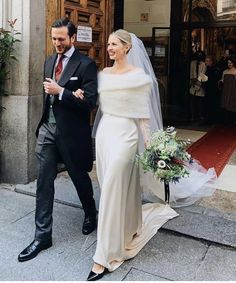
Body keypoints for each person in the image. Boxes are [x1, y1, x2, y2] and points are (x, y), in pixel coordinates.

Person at [75, 29, 178, 281]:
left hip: (126, 137)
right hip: (105, 135)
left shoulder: (138, 75)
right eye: (108, 44)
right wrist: (80, 95)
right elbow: (98, 103)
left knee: (111, 189)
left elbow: (142, 115)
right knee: (116, 187)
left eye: (114, 44)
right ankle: (130, 226)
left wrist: (152, 145)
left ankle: (103, 256)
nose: (109, 48)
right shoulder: (105, 74)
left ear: (127, 48)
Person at [18, 18, 98, 262]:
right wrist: (65, 95)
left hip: (71, 135)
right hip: (47, 130)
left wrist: (62, 92)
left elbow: (90, 102)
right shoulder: (49, 61)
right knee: (44, 182)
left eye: (61, 39)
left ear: (72, 38)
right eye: (54, 39)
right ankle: (42, 236)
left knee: (78, 178)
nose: (57, 43)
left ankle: (90, 213)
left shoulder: (86, 65)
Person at [189, 51, 208, 124]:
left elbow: (203, 74)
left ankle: (200, 115)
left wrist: (198, 82)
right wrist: (193, 81)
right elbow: (191, 72)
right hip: (192, 83)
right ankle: (192, 116)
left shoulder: (203, 64)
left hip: (200, 84)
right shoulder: (192, 63)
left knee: (200, 101)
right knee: (192, 100)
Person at [203, 55, 221, 124]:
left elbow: (212, 80)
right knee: (208, 104)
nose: (206, 62)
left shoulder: (214, 69)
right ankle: (208, 119)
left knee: (211, 104)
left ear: (211, 62)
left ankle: (211, 119)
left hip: (212, 90)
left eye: (207, 61)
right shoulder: (207, 69)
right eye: (205, 61)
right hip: (208, 90)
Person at [219, 57, 236, 124]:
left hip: (233, 90)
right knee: (225, 104)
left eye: (231, 63)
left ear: (233, 63)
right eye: (228, 63)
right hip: (226, 89)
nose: (229, 64)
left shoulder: (235, 71)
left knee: (232, 104)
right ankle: (226, 120)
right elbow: (222, 80)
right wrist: (220, 81)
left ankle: (233, 120)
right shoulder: (225, 71)